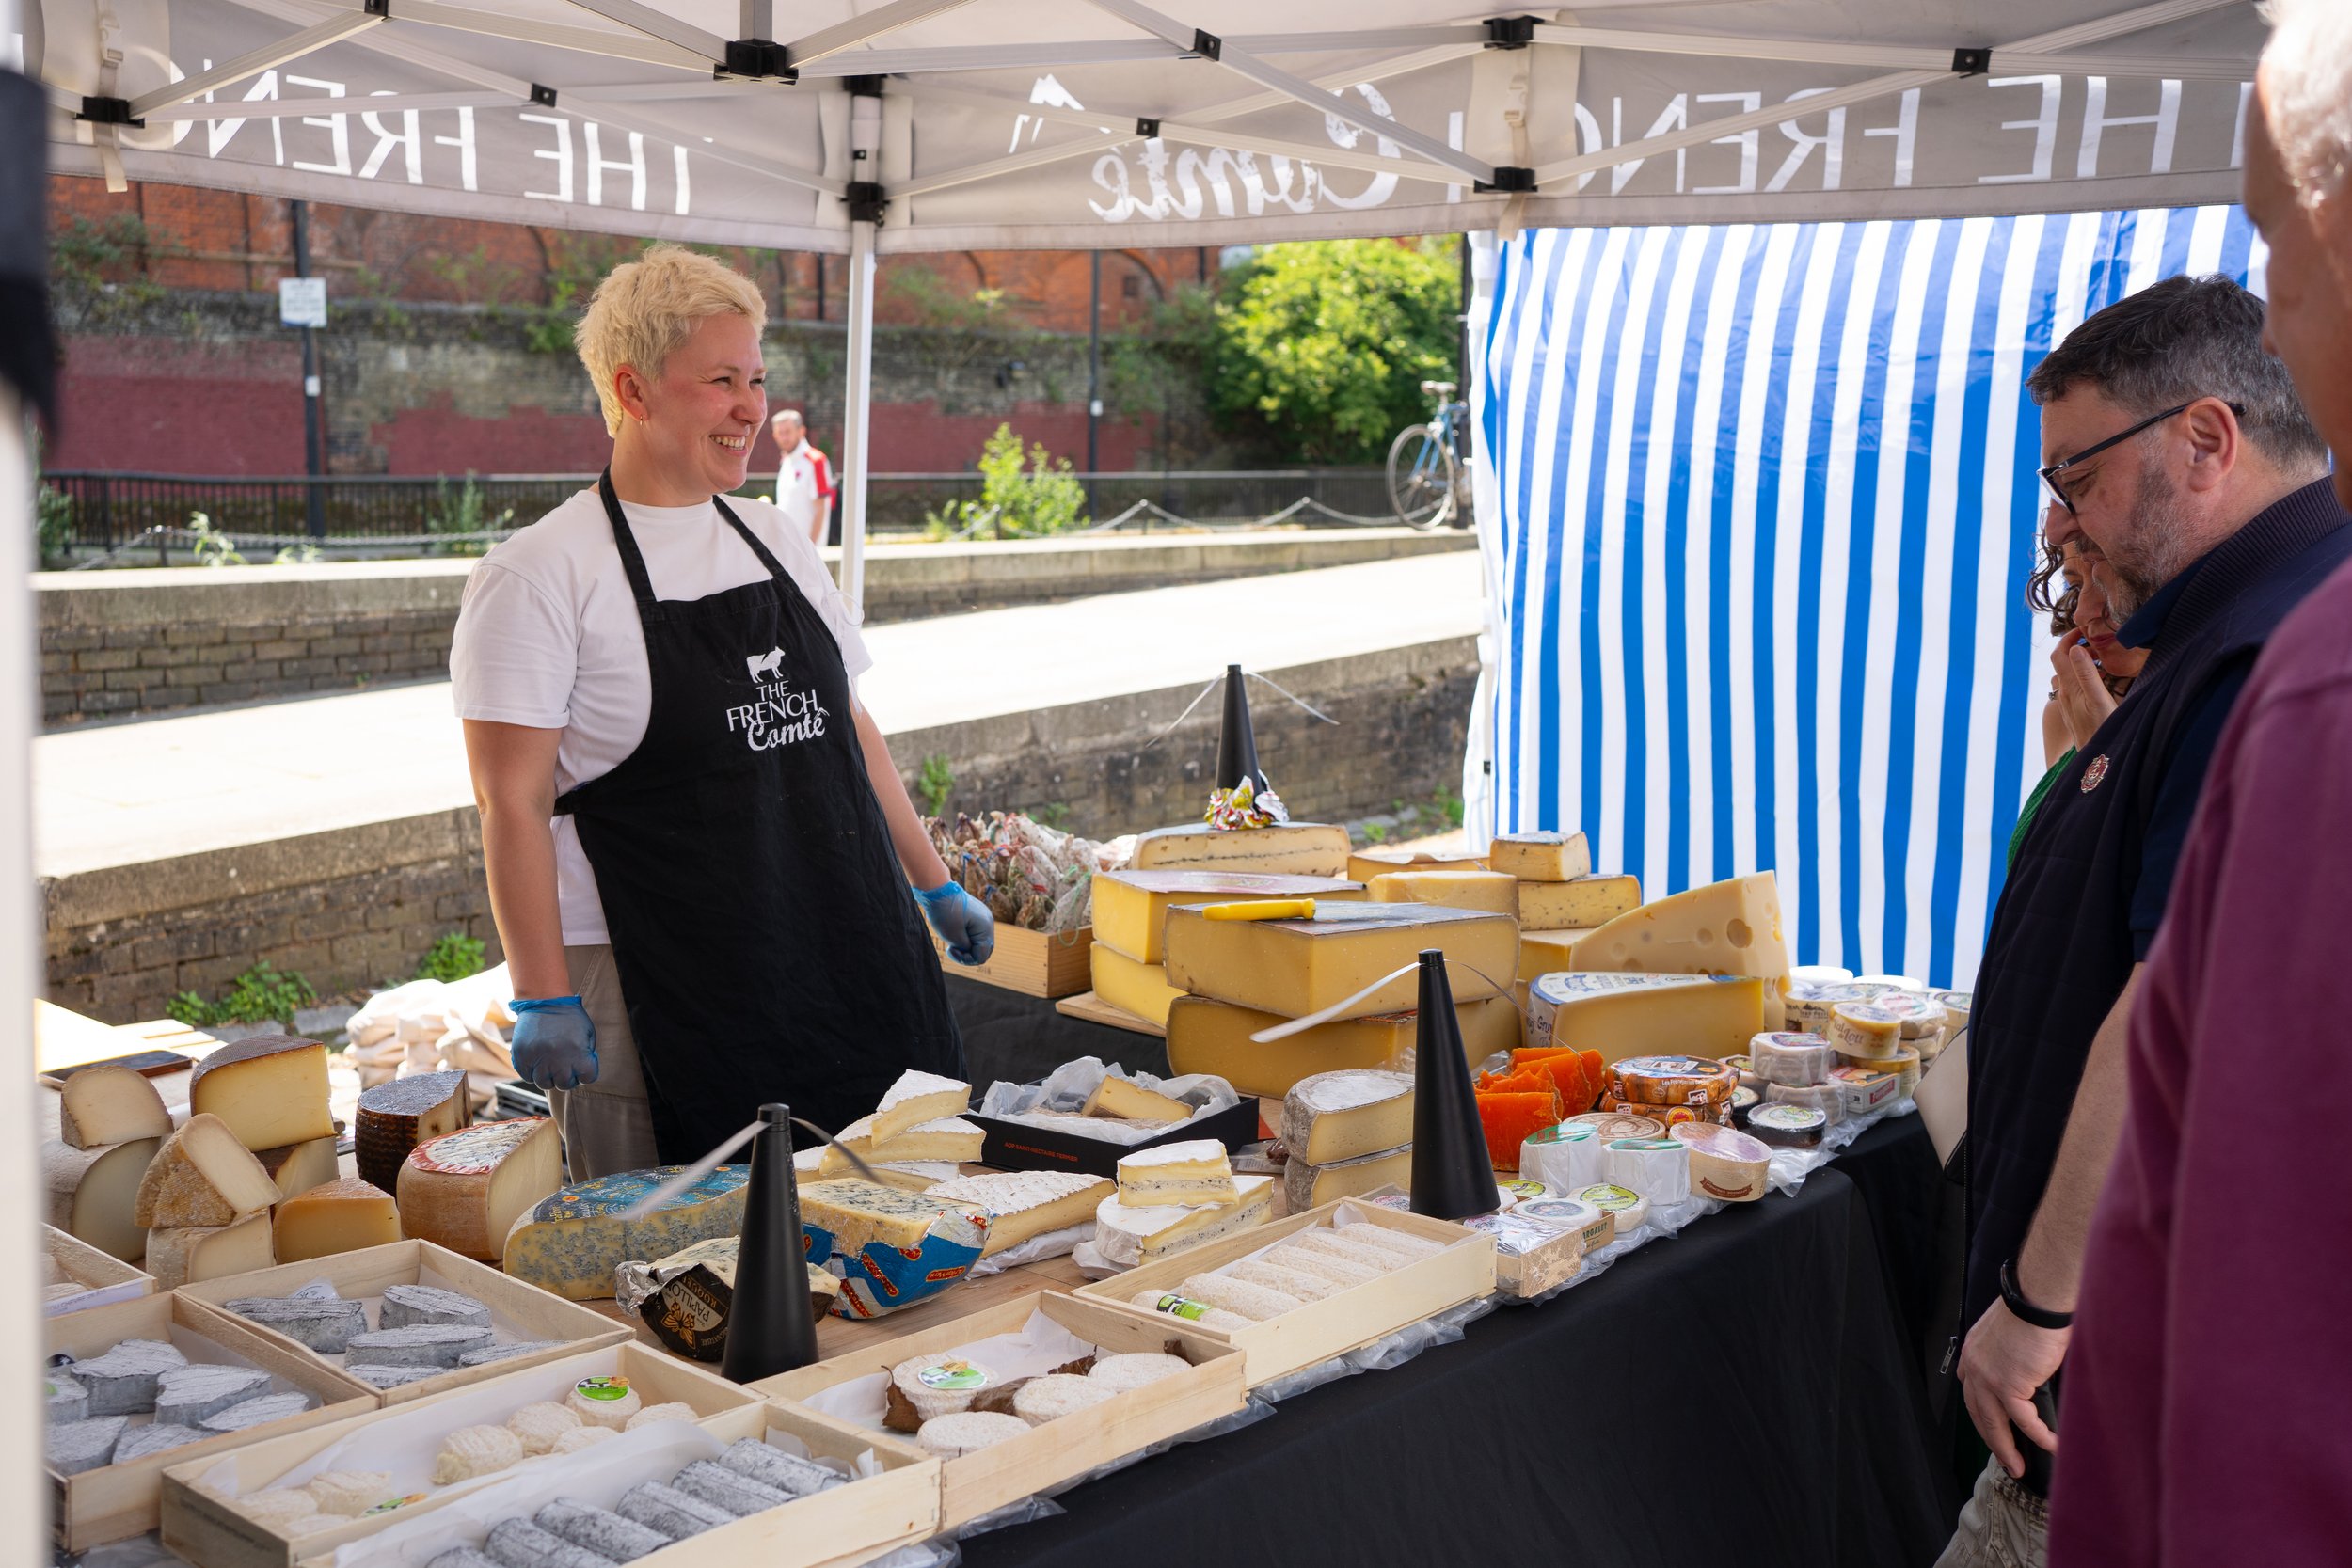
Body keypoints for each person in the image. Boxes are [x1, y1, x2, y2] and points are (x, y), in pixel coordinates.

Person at [1941, 274, 2345, 1567]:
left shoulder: (2264, 655)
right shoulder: (2247, 630)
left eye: (2078, 477)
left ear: (2207, 439)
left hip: (2128, 1365)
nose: (2065, 522)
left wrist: (2036, 1301)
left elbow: (2177, 1008)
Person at [450, 245, 994, 1179]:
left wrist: (933, 882)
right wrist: (542, 992)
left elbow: (847, 726)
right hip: (651, 980)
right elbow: (512, 802)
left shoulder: (774, 536)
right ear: (633, 389)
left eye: (756, 379)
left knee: (877, 1211)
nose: (750, 407)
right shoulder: (539, 574)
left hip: (828, 931)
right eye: (721, 381)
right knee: (686, 1245)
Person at [2051, 7, 2352, 1560]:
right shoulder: (2257, 652)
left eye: (2277, 237)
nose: (2275, 311)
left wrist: (2033, 1298)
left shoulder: (2301, 675)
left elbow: (2255, 1242)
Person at [2011, 531, 2148, 866]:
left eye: (2110, 582)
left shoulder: (2212, 705)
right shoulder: (2068, 709)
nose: (2081, 613)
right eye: (2075, 585)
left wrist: (2102, 748)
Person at [770, 407, 835, 549]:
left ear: (801, 431)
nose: (784, 438)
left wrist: (810, 548)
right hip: (788, 546)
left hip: (808, 550)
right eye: (780, 433)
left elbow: (821, 508)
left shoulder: (816, 461)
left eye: (788, 432)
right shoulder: (786, 460)